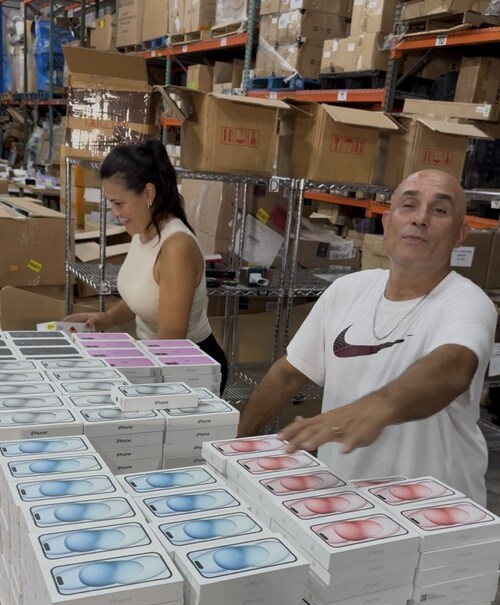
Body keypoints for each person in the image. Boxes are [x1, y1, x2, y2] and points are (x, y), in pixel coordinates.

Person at [238, 169, 497, 507]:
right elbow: (288, 374)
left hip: (434, 514)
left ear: (461, 234)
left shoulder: (467, 302)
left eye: (439, 210)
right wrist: (235, 438)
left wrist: (376, 407)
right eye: (409, 205)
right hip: (344, 504)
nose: (420, 219)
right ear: (387, 222)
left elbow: (452, 368)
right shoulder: (349, 289)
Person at [65, 138, 228, 393]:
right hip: (157, 360)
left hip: (189, 370)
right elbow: (145, 295)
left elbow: (171, 341)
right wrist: (105, 318)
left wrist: (121, 372)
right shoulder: (144, 232)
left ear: (148, 194)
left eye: (119, 203)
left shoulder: (176, 248)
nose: (114, 212)